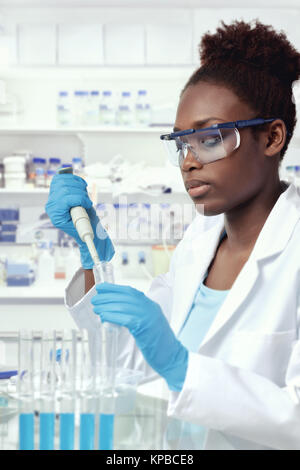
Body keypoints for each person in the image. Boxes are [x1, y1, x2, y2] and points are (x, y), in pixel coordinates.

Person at [46, 19, 300, 450]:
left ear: (272, 137)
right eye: (182, 142)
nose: (188, 161)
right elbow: (132, 361)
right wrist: (93, 261)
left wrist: (182, 367)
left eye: (210, 138)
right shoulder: (200, 240)